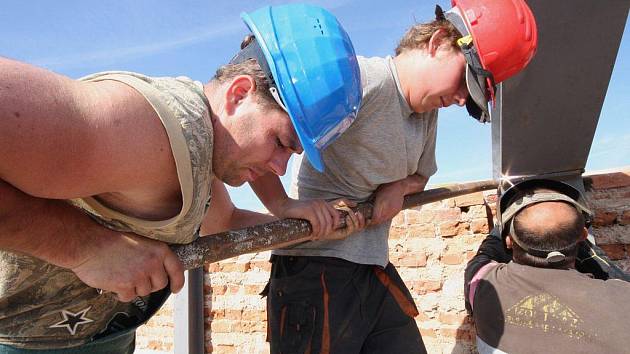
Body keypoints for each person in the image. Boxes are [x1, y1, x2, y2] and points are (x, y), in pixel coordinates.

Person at [0, 4, 363, 352]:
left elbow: (223, 224)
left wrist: (305, 226)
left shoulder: (202, 150)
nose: (281, 168)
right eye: (281, 142)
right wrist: (83, 247)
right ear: (239, 94)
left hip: (91, 340)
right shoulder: (148, 130)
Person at [249, 0, 539, 353]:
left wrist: (397, 187)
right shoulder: (359, 82)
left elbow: (421, 176)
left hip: (372, 266)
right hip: (314, 267)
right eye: (466, 81)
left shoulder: (426, 114)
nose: (463, 100)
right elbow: (258, 134)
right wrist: (282, 204)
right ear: (437, 44)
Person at [464, 178, 630, 353]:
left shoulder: (480, 284)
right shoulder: (623, 299)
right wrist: (581, 243)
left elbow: (485, 253)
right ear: (583, 235)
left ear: (509, 240)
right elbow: (611, 274)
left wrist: (503, 224)